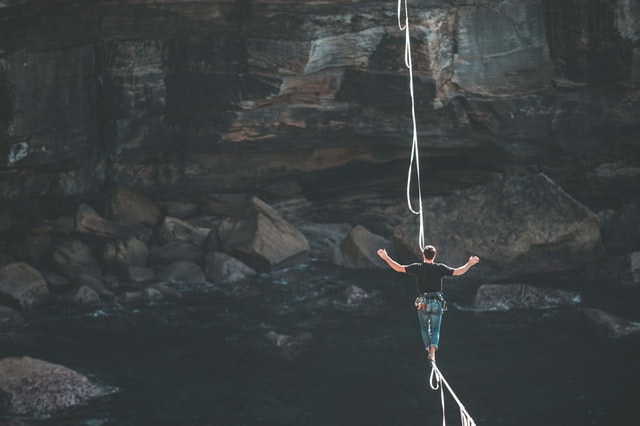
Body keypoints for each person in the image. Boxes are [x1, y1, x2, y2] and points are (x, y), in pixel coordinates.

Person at [377, 245, 479, 365]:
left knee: (425, 328)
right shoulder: (440, 268)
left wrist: (386, 257)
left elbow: (399, 268)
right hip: (436, 302)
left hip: (423, 302)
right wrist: (470, 264)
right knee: (435, 330)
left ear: (423, 255)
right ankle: (433, 354)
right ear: (434, 256)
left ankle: (428, 351)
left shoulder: (418, 267)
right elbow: (457, 272)